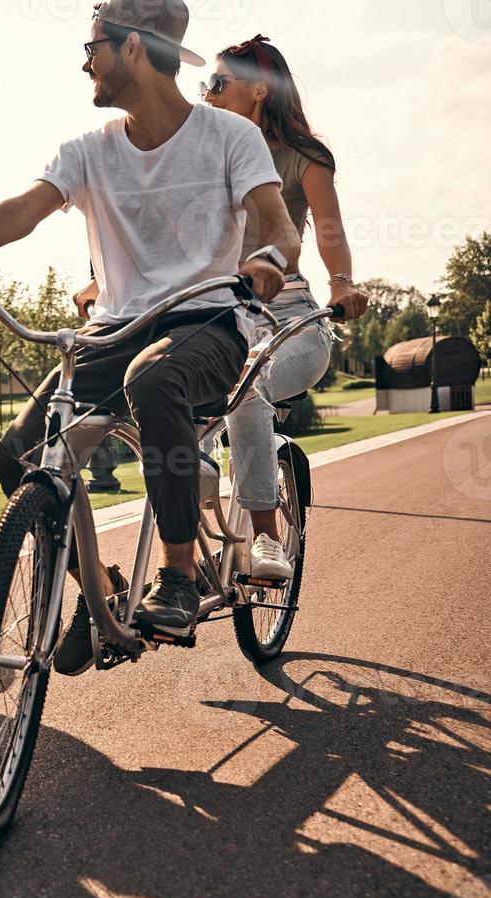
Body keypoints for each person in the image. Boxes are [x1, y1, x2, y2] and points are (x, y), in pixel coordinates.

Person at [0, 0, 302, 667]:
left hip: (205, 325)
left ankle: (174, 577)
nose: (86, 63)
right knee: (18, 457)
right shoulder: (89, 151)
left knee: (155, 376)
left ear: (134, 49)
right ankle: (102, 589)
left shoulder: (229, 138)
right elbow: (27, 208)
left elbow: (279, 225)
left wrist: (269, 260)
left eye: (93, 49)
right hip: (112, 334)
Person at [203, 35, 368, 578]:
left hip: (292, 318)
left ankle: (268, 539)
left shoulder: (303, 157)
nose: (206, 94)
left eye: (218, 83)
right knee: (169, 403)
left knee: (246, 385)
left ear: (257, 90)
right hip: (220, 312)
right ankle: (190, 545)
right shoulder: (208, 153)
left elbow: (328, 230)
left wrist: (341, 282)